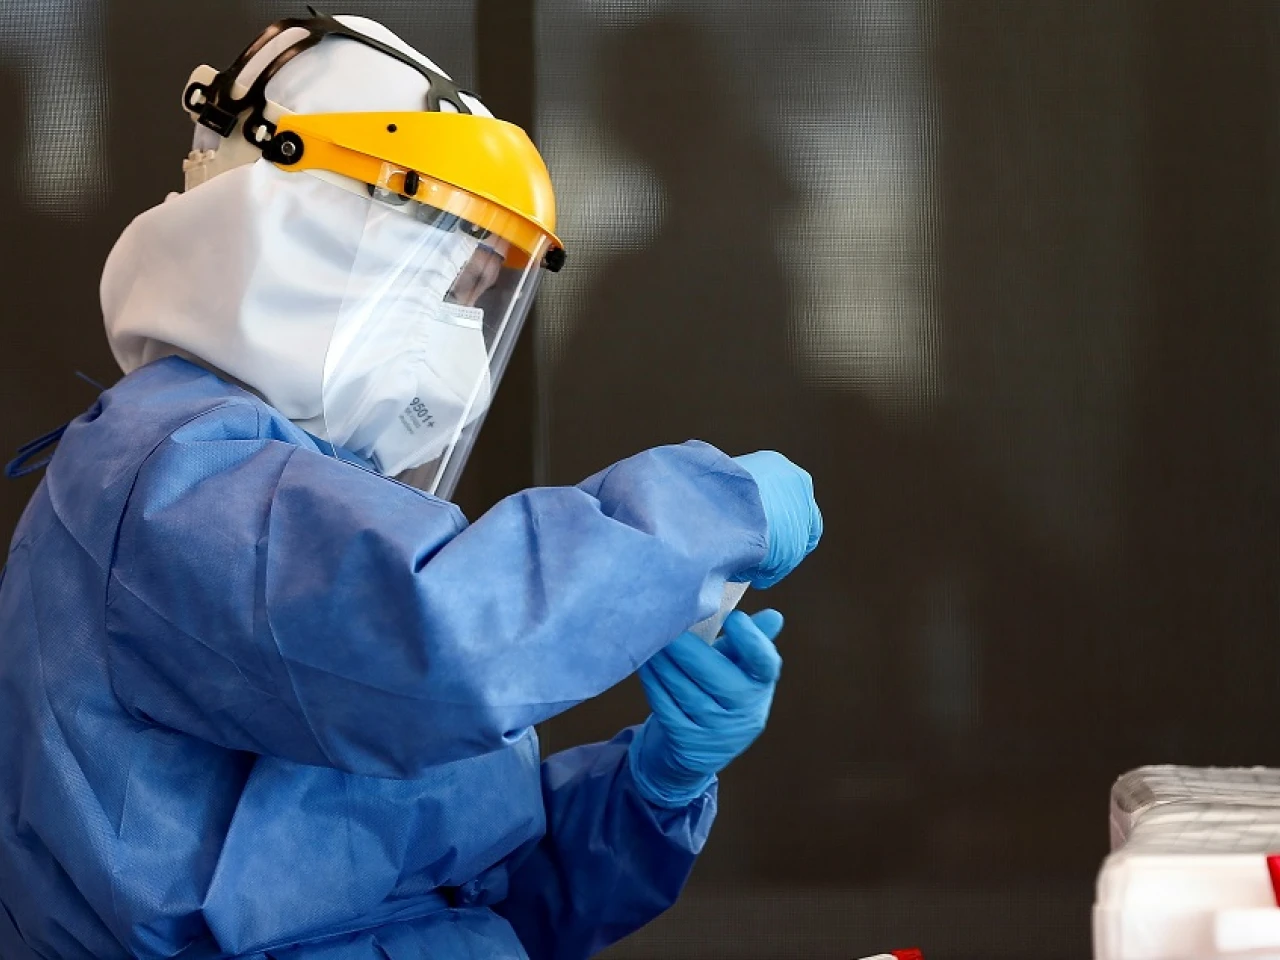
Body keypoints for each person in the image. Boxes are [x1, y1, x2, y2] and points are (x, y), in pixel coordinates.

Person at [0, 12, 822, 960]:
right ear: (309, 235)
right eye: (451, 287)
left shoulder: (305, 490)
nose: (462, 336)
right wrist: (707, 508)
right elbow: (446, 647)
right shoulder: (174, 475)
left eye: (480, 299)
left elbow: (469, 891)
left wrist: (652, 786)